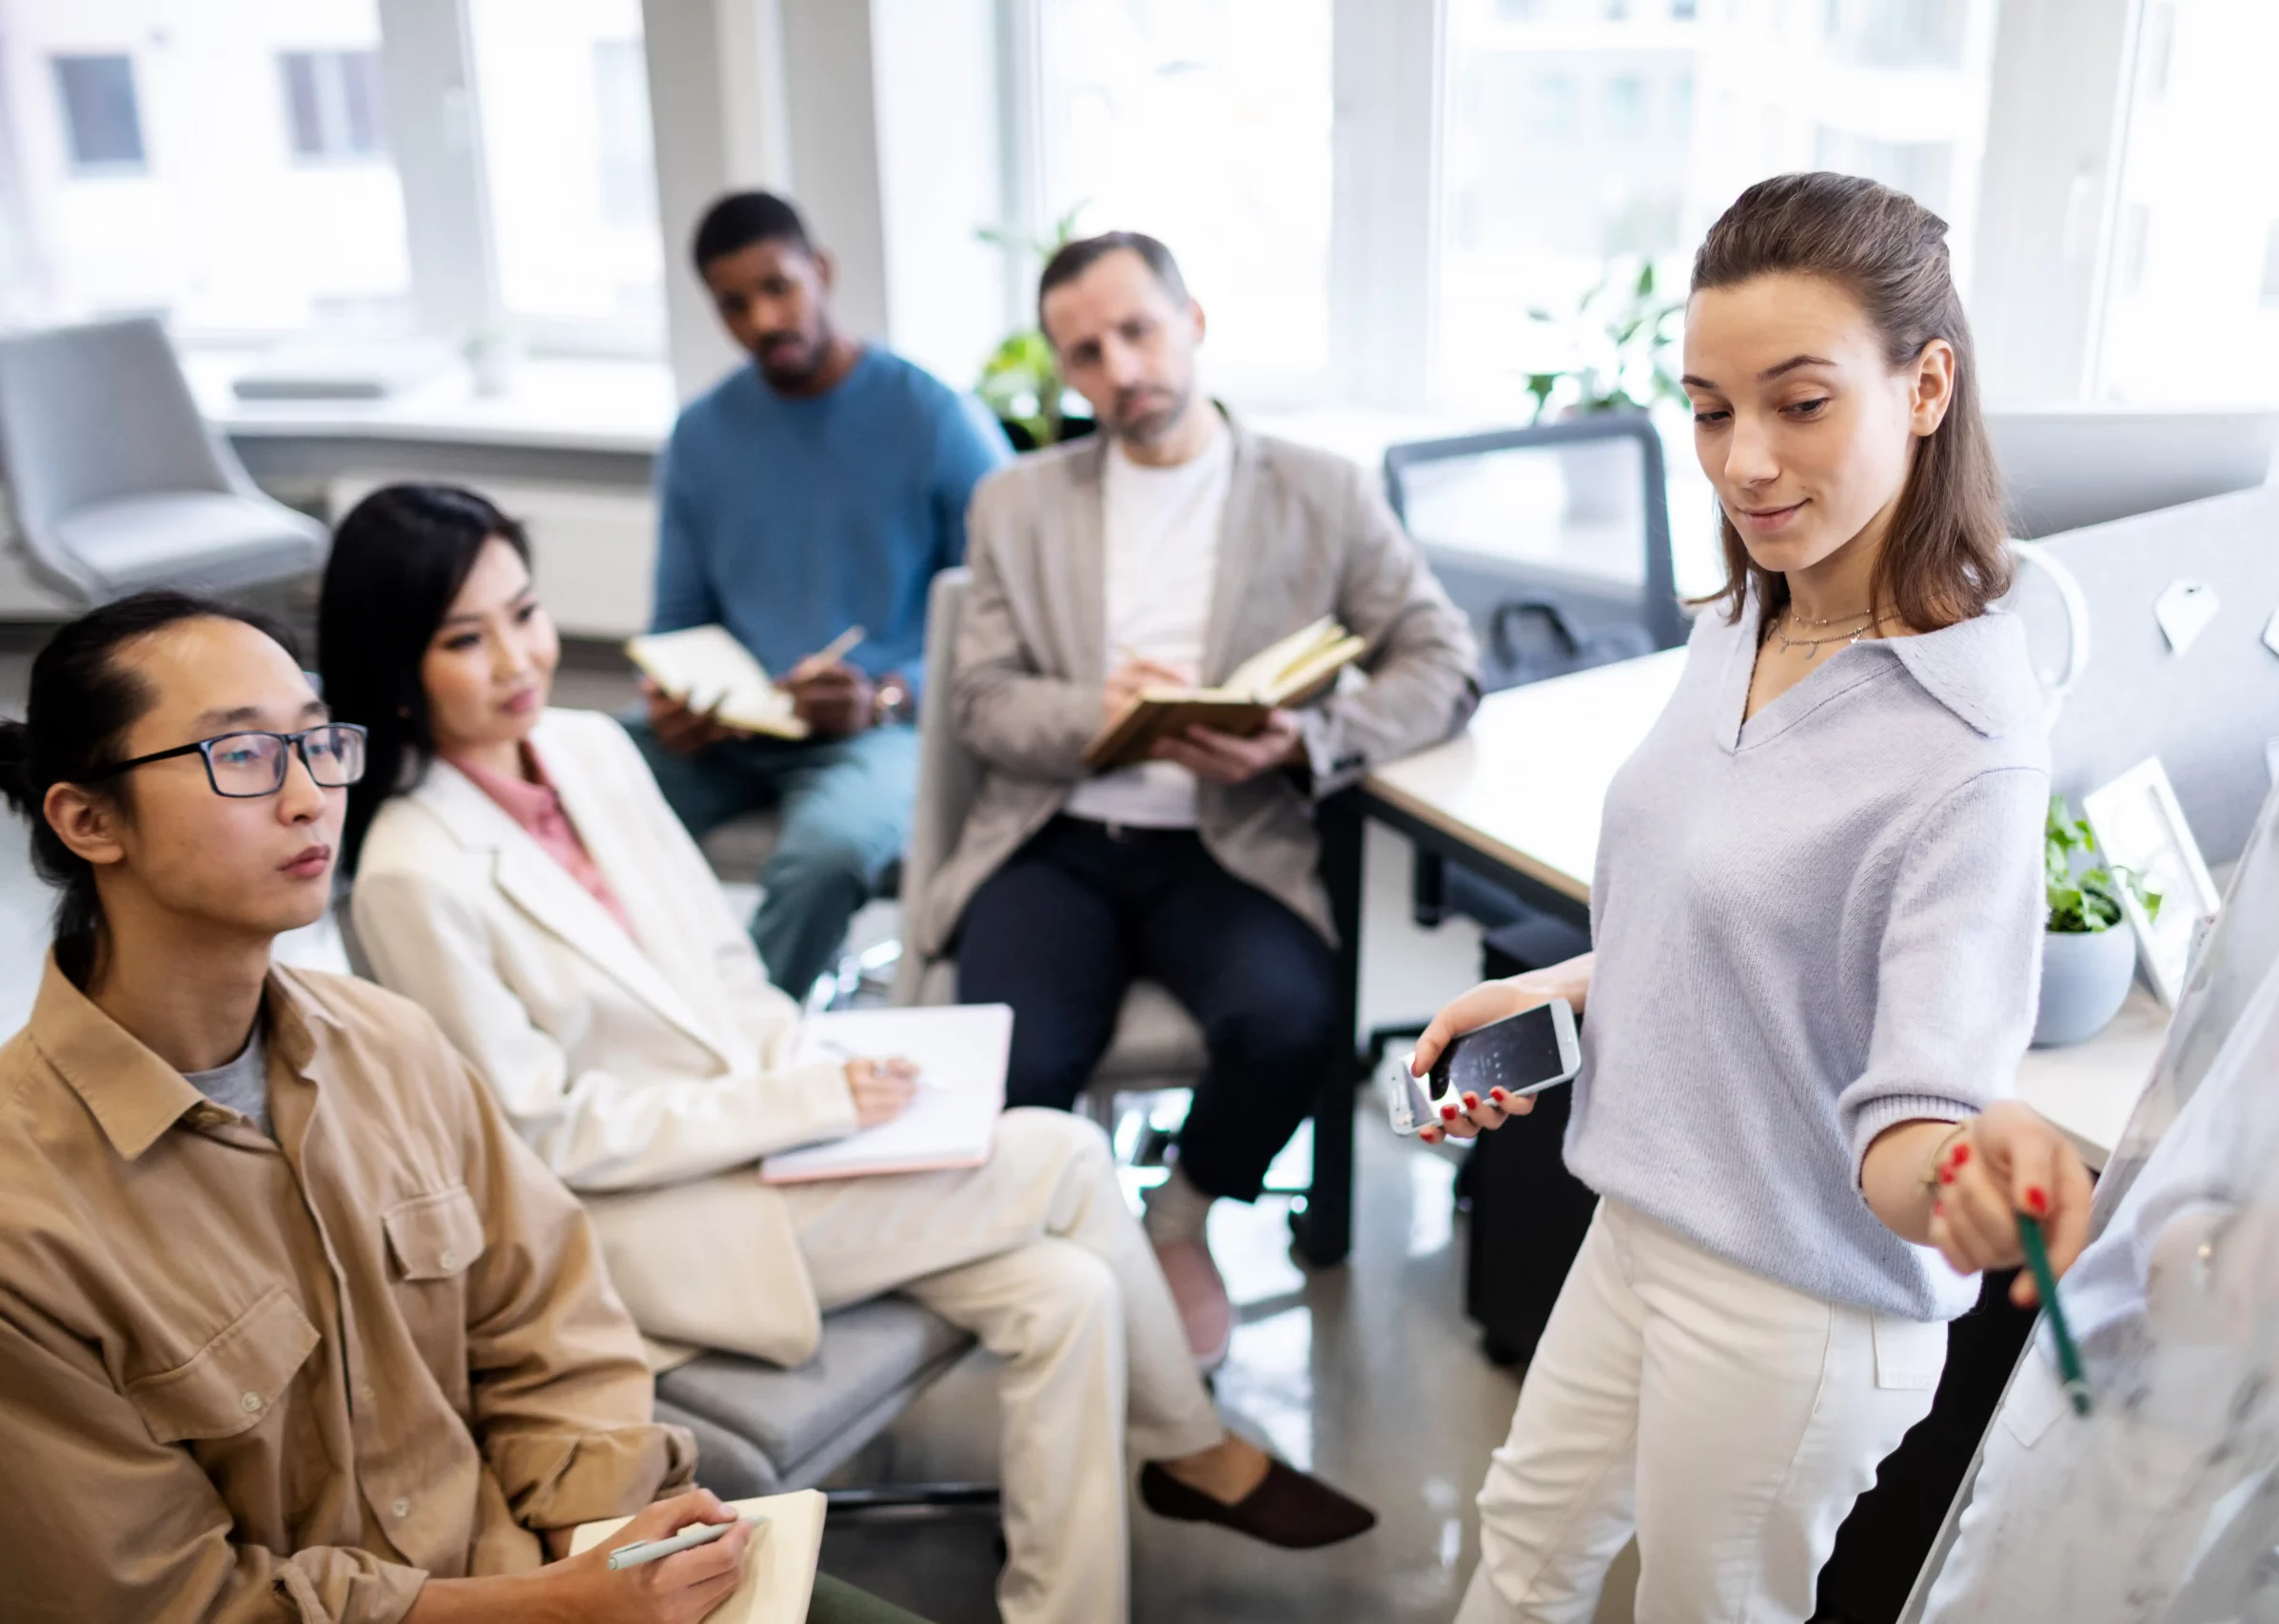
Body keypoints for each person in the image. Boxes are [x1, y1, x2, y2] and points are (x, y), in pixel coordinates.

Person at [322, 484, 1376, 1624]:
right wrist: (802, 1104)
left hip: (769, 1143)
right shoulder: (409, 871)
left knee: (1069, 1290)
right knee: (1067, 1157)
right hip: (644, 1221)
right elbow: (542, 1138)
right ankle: (1196, 1450)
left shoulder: (583, 751)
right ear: (394, 664)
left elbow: (727, 964)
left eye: (524, 615)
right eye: (462, 640)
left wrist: (821, 1085)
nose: (516, 658)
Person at [1410, 173, 2102, 1623]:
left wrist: (1970, 1179)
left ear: (1924, 386)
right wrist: (1559, 987)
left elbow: (1913, 1118)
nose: (1743, 460)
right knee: (1521, 1556)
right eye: (1711, 409)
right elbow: (1748, 935)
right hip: (1642, 1211)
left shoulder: (1967, 746)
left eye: (1799, 403)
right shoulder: (1749, 612)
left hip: (1792, 1296)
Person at [0, 591, 929, 1624]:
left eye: (318, 744)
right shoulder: (24, 1217)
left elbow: (556, 1332)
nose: (310, 797)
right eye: (245, 758)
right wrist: (550, 1608)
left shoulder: (389, 1046)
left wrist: (598, 1551)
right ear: (88, 819)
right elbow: (173, 1601)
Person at [918, 231, 1479, 1363]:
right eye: (1086, 353)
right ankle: (1076, 1259)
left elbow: (1444, 663)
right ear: (1065, 374)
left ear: (1195, 322)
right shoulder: (1016, 503)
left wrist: (1298, 741)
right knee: (1020, 1067)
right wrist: (1098, 711)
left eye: (1138, 331)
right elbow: (978, 702)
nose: (1120, 369)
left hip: (1225, 845)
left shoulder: (1322, 493)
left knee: (1291, 1026)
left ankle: (1180, 1219)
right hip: (1056, 836)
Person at [631, 189, 1011, 999]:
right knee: (572, 773)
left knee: (827, 853)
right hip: (737, 726)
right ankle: (626, 1006)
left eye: (780, 287)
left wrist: (884, 694)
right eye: (735, 304)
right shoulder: (701, 438)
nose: (764, 320)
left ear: (822, 272)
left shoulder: (936, 420)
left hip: (881, 727)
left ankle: (742, 1049)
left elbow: (1007, 620)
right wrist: (676, 693)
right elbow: (676, 622)